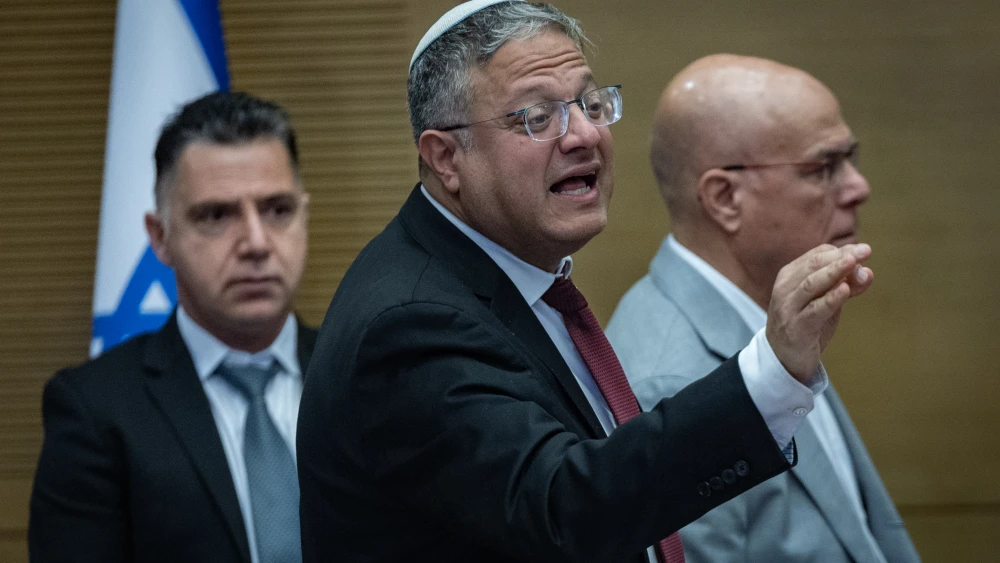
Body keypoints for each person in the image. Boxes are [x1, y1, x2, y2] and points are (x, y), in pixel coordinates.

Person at [297, 3, 873, 562]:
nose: (584, 136)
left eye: (590, 104)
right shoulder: (410, 322)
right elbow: (565, 508)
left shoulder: (515, 280)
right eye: (536, 117)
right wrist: (771, 372)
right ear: (447, 158)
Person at [606, 54, 920, 562]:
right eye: (824, 167)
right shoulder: (668, 385)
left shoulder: (774, 316)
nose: (858, 188)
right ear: (725, 198)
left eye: (851, 160)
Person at [29, 91, 314, 563]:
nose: (257, 243)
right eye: (217, 215)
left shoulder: (369, 375)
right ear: (160, 238)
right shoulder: (94, 410)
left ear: (305, 215)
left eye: (278, 210)